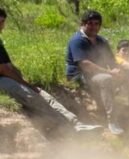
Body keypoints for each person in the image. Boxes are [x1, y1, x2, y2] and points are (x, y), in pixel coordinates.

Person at [0, 7, 101, 136]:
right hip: (2, 78)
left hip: (5, 76)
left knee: (42, 94)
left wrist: (23, 79)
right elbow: (3, 69)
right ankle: (65, 126)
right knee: (29, 94)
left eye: (2, 21)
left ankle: (76, 123)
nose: (1, 25)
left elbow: (9, 66)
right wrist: (24, 83)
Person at [66, 10, 129, 135]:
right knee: (106, 79)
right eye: (90, 23)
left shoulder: (101, 41)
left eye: (97, 24)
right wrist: (110, 72)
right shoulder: (77, 40)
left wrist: (119, 70)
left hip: (99, 74)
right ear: (83, 24)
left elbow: (112, 61)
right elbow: (85, 65)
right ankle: (112, 121)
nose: (94, 27)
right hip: (79, 75)